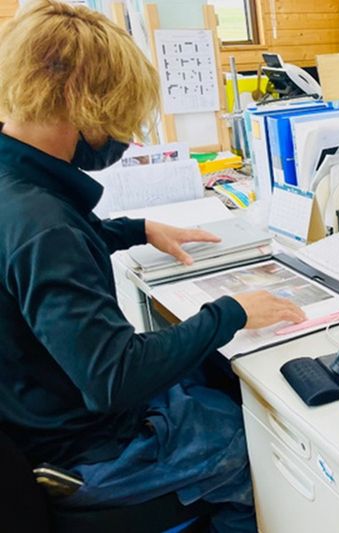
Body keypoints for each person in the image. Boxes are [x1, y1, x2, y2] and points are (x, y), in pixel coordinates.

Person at [0, 2, 306, 531]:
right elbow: (115, 378)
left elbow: (43, 252)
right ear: (79, 98)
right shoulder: (45, 227)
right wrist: (230, 312)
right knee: (255, 446)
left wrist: (137, 229)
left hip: (38, 412)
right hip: (88, 453)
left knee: (207, 376)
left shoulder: (20, 189)